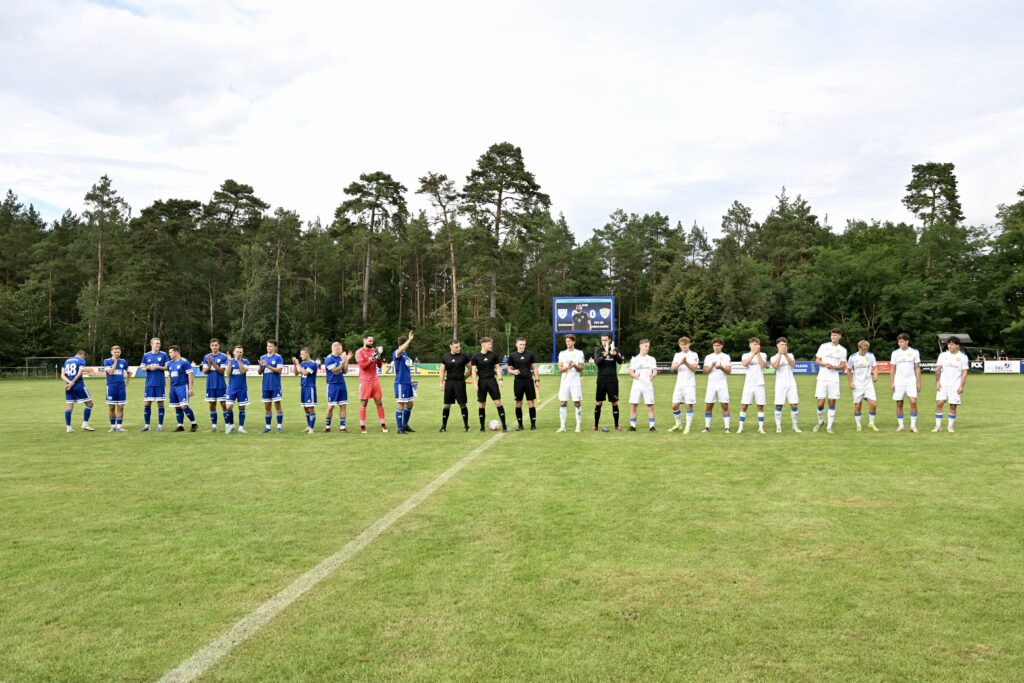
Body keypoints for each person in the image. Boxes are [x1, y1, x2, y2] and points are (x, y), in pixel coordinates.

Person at [814, 328, 848, 433]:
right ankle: (820, 422)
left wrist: (833, 367)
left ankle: (829, 426)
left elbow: (843, 366)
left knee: (832, 403)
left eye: (836, 335)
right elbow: (817, 360)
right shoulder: (824, 346)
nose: (833, 337)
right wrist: (825, 364)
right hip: (822, 378)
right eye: (832, 335)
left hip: (834, 379)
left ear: (840, 337)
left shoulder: (842, 350)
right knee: (820, 404)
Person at [470, 337, 507, 432]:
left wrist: (500, 379)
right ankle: (482, 427)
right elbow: (473, 370)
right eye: (489, 344)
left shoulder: (493, 355)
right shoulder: (475, 356)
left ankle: (504, 426)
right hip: (481, 382)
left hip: (492, 381)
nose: (491, 346)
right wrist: (475, 383)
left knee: (498, 402)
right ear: (483, 344)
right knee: (482, 404)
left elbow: (498, 368)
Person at [934, 336, 968, 433]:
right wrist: (937, 382)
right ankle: (938, 426)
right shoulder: (942, 355)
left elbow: (964, 372)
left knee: (953, 405)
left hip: (955, 385)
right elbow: (938, 369)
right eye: (949, 344)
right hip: (943, 384)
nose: (950, 346)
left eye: (952, 344)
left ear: (957, 345)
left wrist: (961, 385)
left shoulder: (963, 357)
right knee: (939, 403)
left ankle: (950, 426)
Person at [355, 334, 388, 433]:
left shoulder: (374, 350)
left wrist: (378, 357)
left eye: (372, 341)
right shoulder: (359, 352)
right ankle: (362, 426)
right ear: (364, 340)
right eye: (369, 341)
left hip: (375, 380)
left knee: (379, 402)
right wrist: (371, 359)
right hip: (364, 381)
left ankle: (383, 424)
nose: (371, 342)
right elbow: (363, 366)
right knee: (364, 403)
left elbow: (380, 365)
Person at [890, 332, 921, 432]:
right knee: (899, 403)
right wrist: (892, 382)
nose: (900, 343)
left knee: (913, 401)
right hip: (898, 380)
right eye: (899, 342)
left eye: (902, 341)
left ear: (907, 341)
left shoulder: (914, 352)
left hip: (911, 380)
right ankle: (901, 425)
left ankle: (913, 426)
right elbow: (892, 369)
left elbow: (917, 368)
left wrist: (918, 382)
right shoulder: (895, 353)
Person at [508, 336, 540, 431]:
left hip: (528, 381)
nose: (522, 346)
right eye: (521, 344)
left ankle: (533, 425)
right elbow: (509, 369)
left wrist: (537, 380)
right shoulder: (512, 356)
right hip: (518, 382)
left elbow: (534, 368)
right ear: (517, 344)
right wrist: (513, 372)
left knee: (530, 402)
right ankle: (520, 425)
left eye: (524, 344)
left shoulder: (530, 354)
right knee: (518, 403)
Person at [593, 334, 624, 431]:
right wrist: (603, 356)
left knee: (614, 402)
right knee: (599, 402)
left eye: (606, 340)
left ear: (610, 340)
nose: (604, 342)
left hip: (612, 380)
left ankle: (617, 425)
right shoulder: (598, 350)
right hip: (601, 380)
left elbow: (620, 362)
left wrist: (615, 354)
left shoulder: (615, 349)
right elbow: (597, 362)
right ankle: (596, 425)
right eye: (602, 340)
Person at [668, 336, 699, 433]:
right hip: (679, 384)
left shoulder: (693, 354)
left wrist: (686, 363)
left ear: (689, 344)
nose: (684, 346)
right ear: (679, 345)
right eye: (682, 345)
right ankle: (678, 424)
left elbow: (694, 368)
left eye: (685, 344)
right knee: (674, 405)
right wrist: (680, 363)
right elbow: (673, 368)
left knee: (689, 405)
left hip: (689, 384)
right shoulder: (677, 355)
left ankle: (687, 427)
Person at [439, 339, 471, 432]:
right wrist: (441, 383)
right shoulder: (445, 356)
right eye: (456, 347)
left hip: (460, 383)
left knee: (462, 404)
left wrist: (464, 377)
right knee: (446, 405)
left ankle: (466, 426)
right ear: (451, 347)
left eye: (459, 346)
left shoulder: (464, 356)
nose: (458, 348)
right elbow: (442, 370)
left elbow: (470, 368)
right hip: (449, 383)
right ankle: (443, 427)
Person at [848, 340, 880, 432]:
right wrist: (850, 383)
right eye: (863, 350)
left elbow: (875, 368)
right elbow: (849, 371)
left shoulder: (871, 356)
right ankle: (858, 425)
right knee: (858, 406)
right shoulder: (853, 357)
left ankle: (871, 423)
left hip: (868, 384)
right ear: (859, 348)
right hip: (857, 384)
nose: (864, 351)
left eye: (866, 350)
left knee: (873, 404)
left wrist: (875, 375)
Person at [771, 337, 801, 433]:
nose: (783, 346)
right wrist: (780, 354)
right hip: (780, 385)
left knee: (794, 405)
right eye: (781, 345)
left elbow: (793, 365)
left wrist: (786, 354)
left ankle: (795, 426)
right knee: (779, 406)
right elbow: (775, 366)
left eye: (785, 345)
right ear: (777, 346)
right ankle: (778, 427)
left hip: (791, 384)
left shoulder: (790, 355)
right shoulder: (773, 357)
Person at [139, 337, 169, 432]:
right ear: (151, 344)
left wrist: (158, 367)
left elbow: (167, 368)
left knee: (160, 403)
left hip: (160, 383)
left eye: (159, 343)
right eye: (156, 343)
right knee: (147, 403)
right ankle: (147, 425)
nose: (158, 345)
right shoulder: (146, 355)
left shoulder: (164, 355)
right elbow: (142, 369)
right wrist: (147, 367)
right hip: (149, 384)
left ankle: (160, 425)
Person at [738, 338, 767, 434]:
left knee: (760, 406)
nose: (755, 346)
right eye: (753, 344)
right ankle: (741, 427)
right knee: (744, 405)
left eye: (757, 344)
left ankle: (761, 427)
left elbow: (763, 365)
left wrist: (757, 353)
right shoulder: (745, 355)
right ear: (750, 345)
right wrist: (753, 353)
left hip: (759, 384)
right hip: (748, 384)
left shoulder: (763, 355)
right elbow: (745, 364)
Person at [557, 334, 585, 432]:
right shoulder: (562, 353)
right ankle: (563, 426)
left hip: (575, 382)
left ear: (574, 342)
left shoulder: (579, 353)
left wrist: (574, 366)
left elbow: (581, 369)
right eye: (566, 341)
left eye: (569, 341)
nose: (568, 343)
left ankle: (578, 425)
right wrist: (568, 367)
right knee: (563, 402)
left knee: (576, 402)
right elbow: (560, 369)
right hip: (564, 382)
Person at [702, 338, 732, 432]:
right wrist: (711, 366)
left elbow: (729, 371)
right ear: (712, 346)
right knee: (709, 405)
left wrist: (721, 367)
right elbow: (705, 371)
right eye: (714, 345)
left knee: (724, 405)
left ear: (722, 346)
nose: (716, 347)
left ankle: (727, 427)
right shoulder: (708, 357)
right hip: (711, 384)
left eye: (718, 345)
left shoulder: (726, 356)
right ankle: (707, 427)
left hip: (722, 384)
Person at [62, 349, 95, 432]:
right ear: (82, 355)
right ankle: (85, 424)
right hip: (78, 386)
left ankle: (68, 428)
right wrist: (73, 382)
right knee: (90, 403)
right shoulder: (81, 360)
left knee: (69, 407)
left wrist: (69, 383)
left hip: (68, 387)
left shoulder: (67, 361)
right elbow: (80, 373)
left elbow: (62, 375)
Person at [166, 345, 198, 432]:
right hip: (174, 388)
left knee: (184, 406)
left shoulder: (185, 362)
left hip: (182, 387)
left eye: (170, 352)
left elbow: (190, 375)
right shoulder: (169, 364)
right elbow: (168, 377)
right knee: (177, 407)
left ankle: (194, 423)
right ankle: (180, 426)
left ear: (176, 352)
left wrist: (190, 388)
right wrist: (169, 389)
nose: (169, 354)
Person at [322, 341, 352, 433]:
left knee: (343, 405)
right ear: (336, 348)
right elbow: (335, 371)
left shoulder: (340, 358)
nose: (342, 350)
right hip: (332, 385)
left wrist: (346, 361)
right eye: (341, 348)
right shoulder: (328, 359)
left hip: (342, 384)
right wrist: (343, 361)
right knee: (331, 406)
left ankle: (342, 427)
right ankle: (327, 427)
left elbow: (345, 371)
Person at [628, 339, 657, 431]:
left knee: (650, 405)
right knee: (633, 405)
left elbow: (655, 371)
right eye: (645, 346)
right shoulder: (635, 359)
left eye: (648, 346)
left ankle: (652, 426)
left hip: (648, 385)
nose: (647, 348)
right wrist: (635, 376)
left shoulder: (651, 359)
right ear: (640, 346)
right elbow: (631, 372)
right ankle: (633, 426)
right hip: (637, 385)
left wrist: (653, 376)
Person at [202, 338, 230, 432]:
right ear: (210, 346)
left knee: (224, 405)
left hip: (220, 385)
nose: (214, 347)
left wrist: (212, 363)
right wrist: (210, 365)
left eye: (216, 345)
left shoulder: (223, 356)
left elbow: (221, 371)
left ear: (219, 346)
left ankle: (227, 426)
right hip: (210, 385)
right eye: (212, 345)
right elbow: (205, 372)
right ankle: (214, 426)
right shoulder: (206, 357)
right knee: (211, 405)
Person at [258, 339, 285, 433]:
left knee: (277, 405)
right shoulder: (262, 357)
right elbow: (259, 372)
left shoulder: (278, 357)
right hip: (265, 386)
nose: (268, 348)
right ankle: (268, 427)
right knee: (267, 406)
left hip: (275, 385)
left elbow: (279, 370)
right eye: (267, 346)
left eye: (270, 346)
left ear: (275, 347)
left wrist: (267, 365)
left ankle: (279, 426)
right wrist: (261, 366)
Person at [292, 347, 319, 434]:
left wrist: (298, 364)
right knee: (305, 407)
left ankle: (311, 428)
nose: (300, 356)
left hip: (309, 388)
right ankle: (309, 426)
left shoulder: (313, 364)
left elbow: (305, 372)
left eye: (302, 354)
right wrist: (295, 365)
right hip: (303, 387)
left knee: (310, 408)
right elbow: (296, 374)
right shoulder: (302, 363)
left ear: (307, 354)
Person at [393, 331, 415, 434]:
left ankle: (405, 425)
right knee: (400, 404)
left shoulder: (405, 354)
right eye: (407, 343)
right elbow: (399, 350)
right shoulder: (397, 352)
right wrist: (409, 340)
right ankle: (399, 428)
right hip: (401, 382)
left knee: (410, 403)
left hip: (408, 383)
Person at [103, 345, 129, 432]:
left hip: (121, 387)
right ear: (111, 352)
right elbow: (110, 372)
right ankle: (113, 426)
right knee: (111, 407)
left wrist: (127, 382)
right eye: (115, 352)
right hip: (111, 387)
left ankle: (119, 426)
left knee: (121, 407)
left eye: (118, 352)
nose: (117, 354)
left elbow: (129, 372)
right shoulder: (107, 361)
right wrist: (114, 362)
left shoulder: (123, 361)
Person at [225, 344, 249, 433]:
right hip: (231, 388)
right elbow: (227, 373)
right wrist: (230, 362)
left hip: (242, 389)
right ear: (234, 352)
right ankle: (231, 425)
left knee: (242, 407)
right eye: (237, 352)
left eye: (241, 352)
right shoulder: (229, 361)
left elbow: (243, 371)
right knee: (228, 407)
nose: (239, 353)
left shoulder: (245, 361)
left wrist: (239, 361)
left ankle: (241, 427)